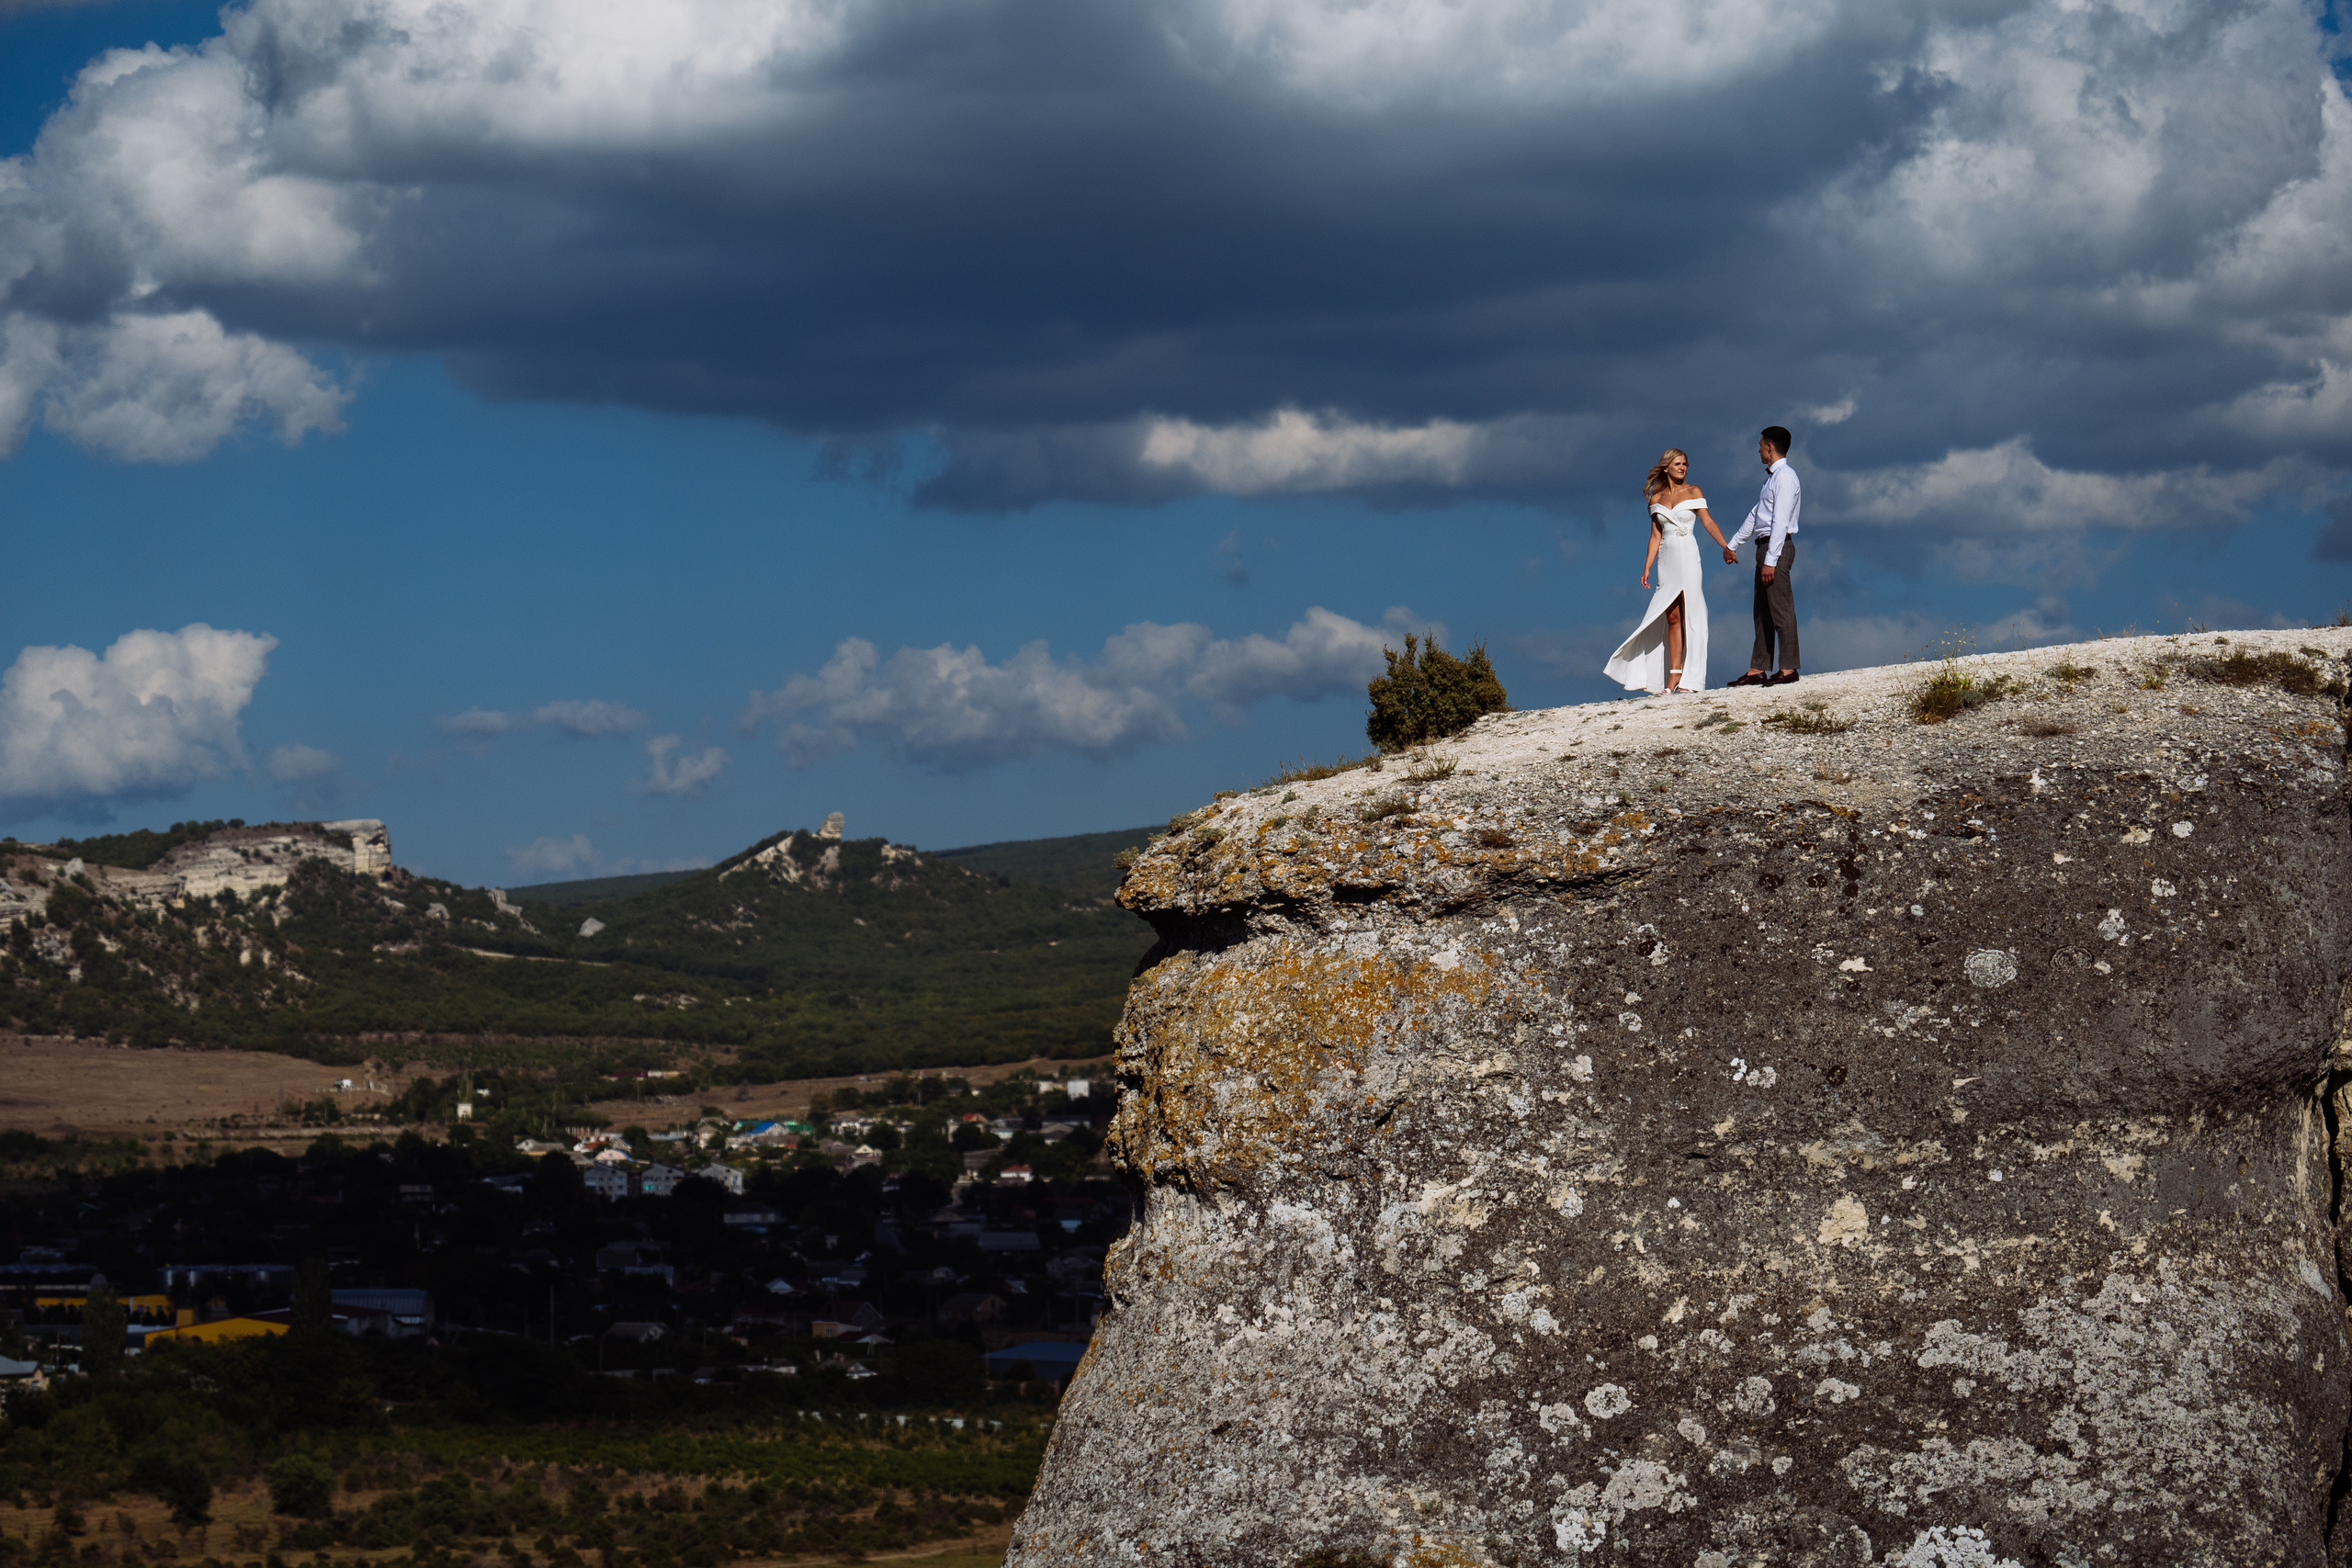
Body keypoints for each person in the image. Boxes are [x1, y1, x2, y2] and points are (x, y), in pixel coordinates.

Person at [1603, 447, 1733, 694]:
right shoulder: (1655, 498)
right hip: (1666, 558)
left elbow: (1708, 521)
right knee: (1671, 617)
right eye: (1677, 464)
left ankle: (1692, 680)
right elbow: (1655, 536)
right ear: (1666, 468)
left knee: (1692, 613)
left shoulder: (1694, 491)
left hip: (1688, 555)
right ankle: (1673, 677)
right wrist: (1647, 567)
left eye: (1685, 464)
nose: (1683, 468)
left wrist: (1726, 547)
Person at [1724, 424, 1801, 686]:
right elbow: (1757, 515)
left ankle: (1789, 668)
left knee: (1781, 609)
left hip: (1774, 548)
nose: (1758, 450)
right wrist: (1733, 544)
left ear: (1769, 446)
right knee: (1762, 612)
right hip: (1763, 547)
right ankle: (1758, 668)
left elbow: (1779, 522)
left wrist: (1771, 560)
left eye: (1760, 445)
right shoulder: (1771, 480)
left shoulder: (1785, 477)